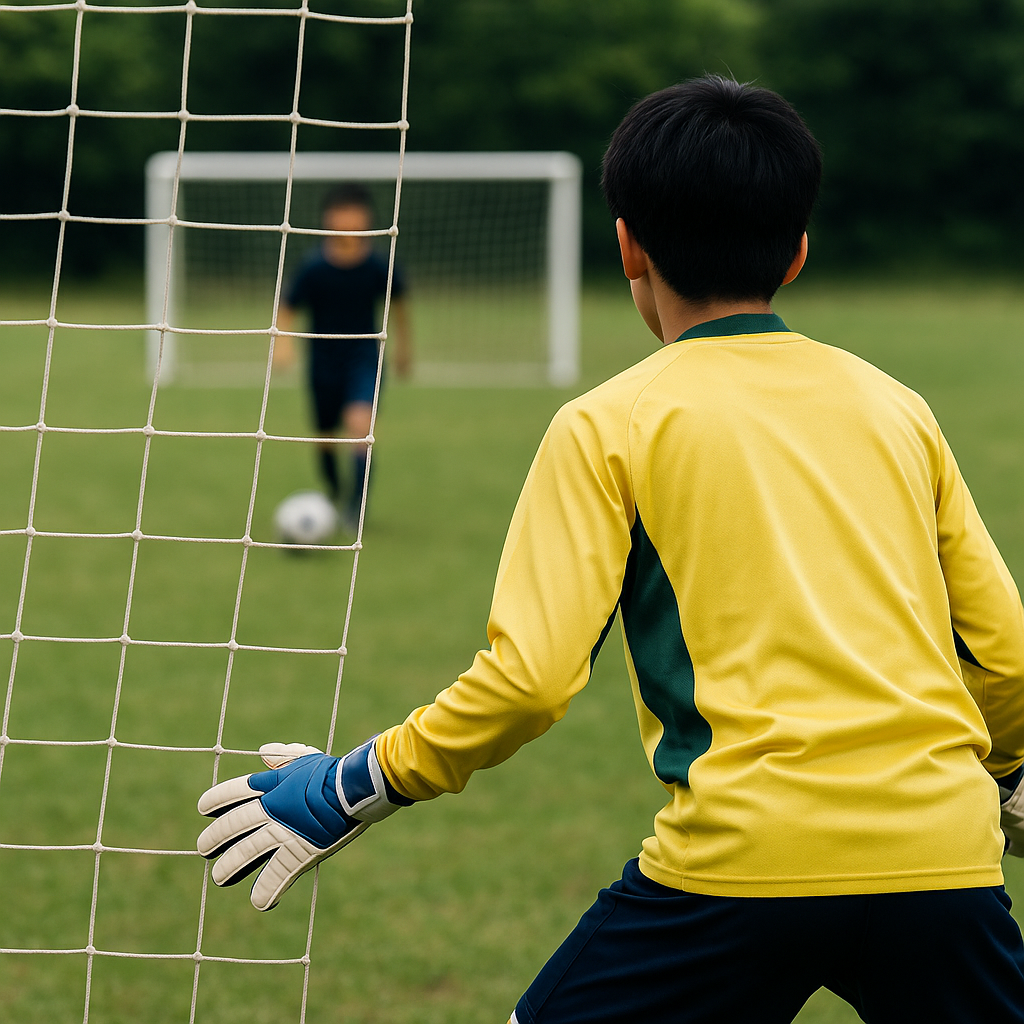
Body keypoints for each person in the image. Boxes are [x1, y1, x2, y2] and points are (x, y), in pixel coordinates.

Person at [198, 77, 1024, 1023]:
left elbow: (531, 681)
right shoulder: (898, 410)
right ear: (799, 251)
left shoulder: (608, 424)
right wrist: (1005, 774)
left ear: (627, 242)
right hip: (943, 865)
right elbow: (1002, 654)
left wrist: (354, 785)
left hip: (736, 869)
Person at [275, 182, 412, 528]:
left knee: (358, 426)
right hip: (322, 362)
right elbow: (287, 306)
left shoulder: (379, 267)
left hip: (364, 357)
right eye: (341, 215)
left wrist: (405, 349)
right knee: (325, 438)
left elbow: (399, 304)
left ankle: (355, 507)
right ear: (328, 219)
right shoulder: (314, 268)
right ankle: (333, 492)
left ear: (366, 220)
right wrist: (283, 345)